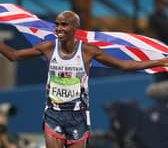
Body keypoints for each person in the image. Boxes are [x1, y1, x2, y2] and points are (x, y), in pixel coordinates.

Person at [1, 11, 168, 148]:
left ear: (75, 28)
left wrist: (160, 61)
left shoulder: (88, 51)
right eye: (57, 24)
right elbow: (13, 55)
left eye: (64, 24)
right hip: (54, 113)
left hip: (77, 115)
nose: (59, 28)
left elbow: (124, 65)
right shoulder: (49, 48)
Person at [148, 0, 168, 82]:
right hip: (160, 53)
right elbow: (152, 35)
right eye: (162, 2)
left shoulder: (164, 17)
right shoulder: (153, 17)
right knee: (161, 81)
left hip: (166, 51)